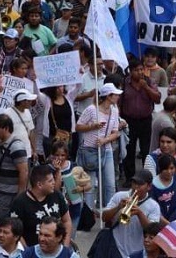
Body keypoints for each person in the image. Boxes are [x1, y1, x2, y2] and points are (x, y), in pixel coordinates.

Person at [75, 82, 122, 212]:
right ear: (108, 96)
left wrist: (105, 140)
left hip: (106, 150)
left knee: (110, 184)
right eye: (115, 94)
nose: (118, 97)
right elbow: (78, 126)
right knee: (90, 185)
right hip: (90, 150)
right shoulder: (91, 110)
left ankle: (109, 212)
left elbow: (116, 132)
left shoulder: (114, 111)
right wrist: (92, 126)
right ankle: (89, 212)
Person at [10, 163, 72, 248]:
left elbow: (67, 221)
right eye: (50, 181)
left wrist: (65, 246)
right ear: (39, 184)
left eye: (53, 179)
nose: (54, 183)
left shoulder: (57, 195)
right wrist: (28, 252)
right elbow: (16, 231)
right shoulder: (20, 202)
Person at [120, 59, 161, 185]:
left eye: (141, 69)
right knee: (129, 149)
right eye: (136, 70)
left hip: (145, 120)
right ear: (131, 72)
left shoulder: (149, 82)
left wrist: (146, 87)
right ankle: (130, 177)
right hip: (129, 121)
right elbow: (119, 102)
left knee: (145, 150)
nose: (140, 72)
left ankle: (146, 177)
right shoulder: (124, 83)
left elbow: (158, 99)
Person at [103, 170, 162, 258]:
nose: (136, 187)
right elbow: (104, 217)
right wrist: (118, 207)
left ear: (149, 187)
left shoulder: (154, 206)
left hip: (137, 252)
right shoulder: (119, 196)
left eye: (140, 184)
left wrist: (139, 214)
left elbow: (152, 231)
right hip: (116, 247)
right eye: (134, 183)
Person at [48, 141, 86, 238]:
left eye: (63, 155)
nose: (60, 158)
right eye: (57, 155)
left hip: (74, 206)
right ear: (52, 155)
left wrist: (78, 189)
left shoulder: (74, 166)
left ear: (67, 155)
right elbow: (55, 190)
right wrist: (58, 170)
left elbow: (86, 185)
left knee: (70, 237)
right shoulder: (48, 169)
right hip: (57, 208)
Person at [149, 154, 176, 223]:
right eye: (165, 169)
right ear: (160, 168)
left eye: (171, 168)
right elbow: (154, 211)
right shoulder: (152, 185)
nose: (169, 172)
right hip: (160, 223)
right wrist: (169, 225)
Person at [6, 87, 38, 161]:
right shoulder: (7, 113)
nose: (31, 102)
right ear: (22, 101)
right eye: (29, 101)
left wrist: (34, 150)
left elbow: (31, 132)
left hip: (27, 153)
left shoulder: (28, 112)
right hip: (12, 153)